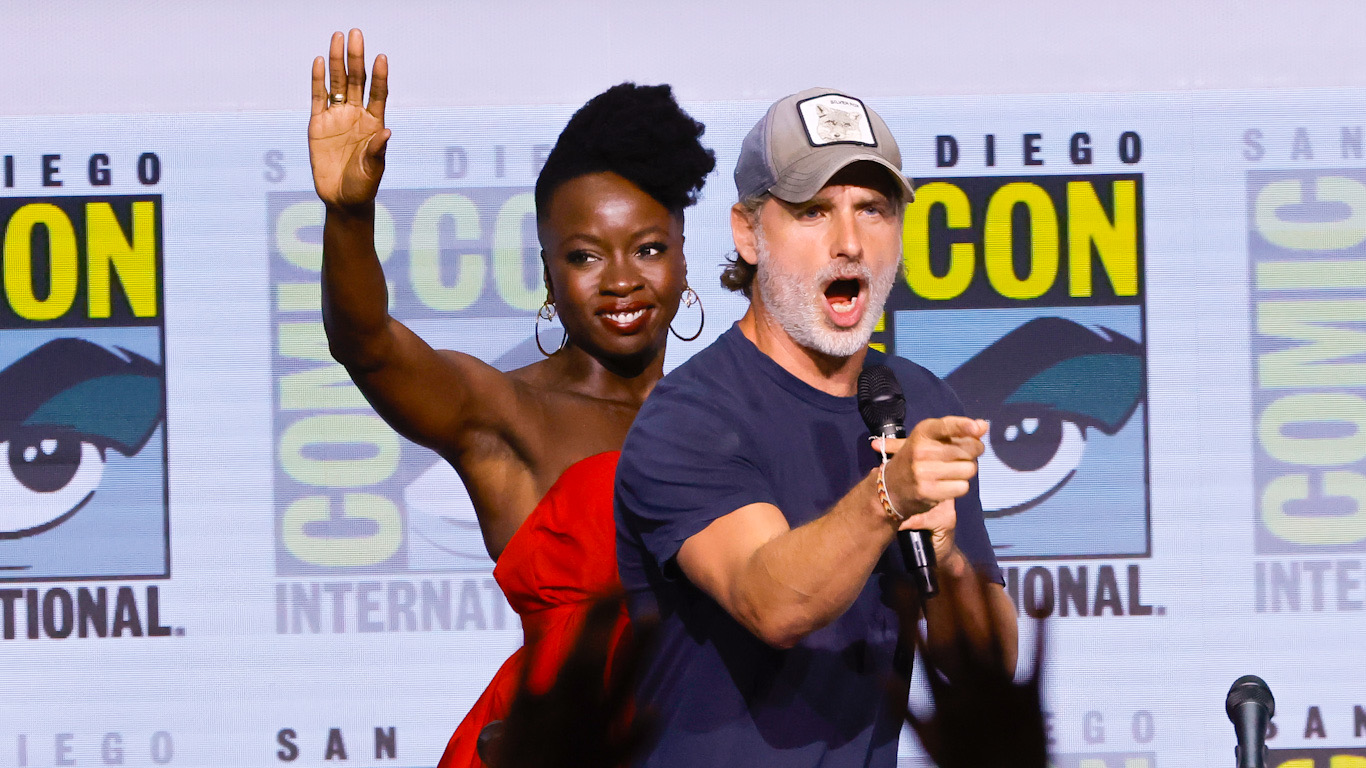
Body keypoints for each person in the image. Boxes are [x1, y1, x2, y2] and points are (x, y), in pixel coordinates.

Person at [307, 29, 714, 768]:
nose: (621, 279)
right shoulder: (507, 412)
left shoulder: (726, 416)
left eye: (648, 248)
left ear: (684, 255)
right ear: (548, 273)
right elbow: (364, 342)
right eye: (585, 255)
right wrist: (348, 214)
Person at [615, 88, 1019, 767]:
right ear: (748, 232)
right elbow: (771, 604)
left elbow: (987, 667)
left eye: (874, 210)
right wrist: (887, 496)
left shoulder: (914, 400)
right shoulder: (687, 418)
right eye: (813, 212)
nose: (851, 243)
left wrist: (946, 557)